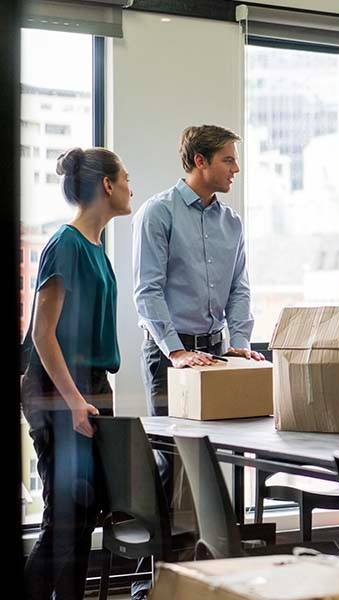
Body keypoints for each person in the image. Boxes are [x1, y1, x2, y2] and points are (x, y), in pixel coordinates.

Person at [131, 124, 263, 599]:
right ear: (200, 161)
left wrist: (239, 341)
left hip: (215, 352)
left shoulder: (232, 222)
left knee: (214, 459)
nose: (236, 168)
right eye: (228, 159)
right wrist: (176, 350)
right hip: (170, 354)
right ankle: (157, 581)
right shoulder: (158, 212)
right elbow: (147, 290)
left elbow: (241, 288)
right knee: (169, 465)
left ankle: (212, 575)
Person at [22, 147, 132, 599]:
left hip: (89, 388)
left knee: (84, 515)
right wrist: (73, 402)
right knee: (64, 518)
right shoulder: (65, 245)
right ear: (107, 185)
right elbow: (43, 334)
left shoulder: (97, 250)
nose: (130, 186)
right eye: (125, 177)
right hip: (57, 388)